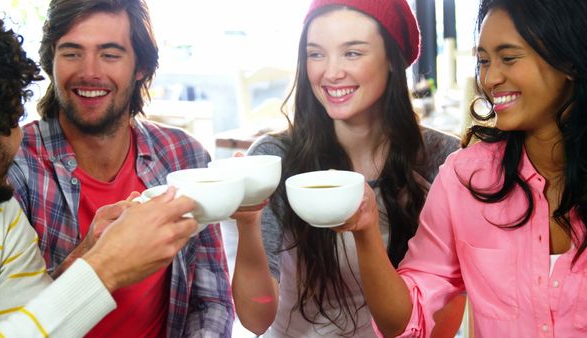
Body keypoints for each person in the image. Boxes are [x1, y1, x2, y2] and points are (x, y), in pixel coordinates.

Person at [0, 3, 199, 337]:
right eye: (12, 119)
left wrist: (88, 254)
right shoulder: (13, 178)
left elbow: (28, 319)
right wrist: (105, 266)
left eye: (110, 54)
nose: (20, 133)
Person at [341, 0, 587, 337]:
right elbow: (404, 321)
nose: (490, 78)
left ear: (570, 59)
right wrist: (365, 230)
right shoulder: (466, 178)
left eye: (509, 58)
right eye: (483, 61)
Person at [230, 0, 463, 336]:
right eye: (316, 54)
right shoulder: (274, 159)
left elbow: (445, 318)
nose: (331, 72)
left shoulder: (442, 160)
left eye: (352, 53)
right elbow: (256, 319)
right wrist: (248, 225)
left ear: (392, 60)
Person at [6, 0, 233, 336]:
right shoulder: (14, 163)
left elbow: (211, 301)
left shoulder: (185, 156)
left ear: (140, 65)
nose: (89, 71)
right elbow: (9, 323)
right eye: (72, 53)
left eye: (109, 54)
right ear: (51, 59)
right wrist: (90, 258)